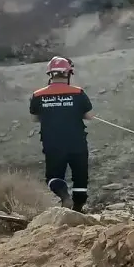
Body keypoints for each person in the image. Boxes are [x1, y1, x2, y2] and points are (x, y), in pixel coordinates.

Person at [29, 56, 94, 211]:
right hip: (77, 143)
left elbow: (34, 118)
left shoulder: (38, 95)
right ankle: (78, 209)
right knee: (80, 178)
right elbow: (89, 116)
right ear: (68, 74)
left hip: (53, 144)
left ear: (50, 74)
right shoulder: (78, 92)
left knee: (53, 177)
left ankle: (64, 196)